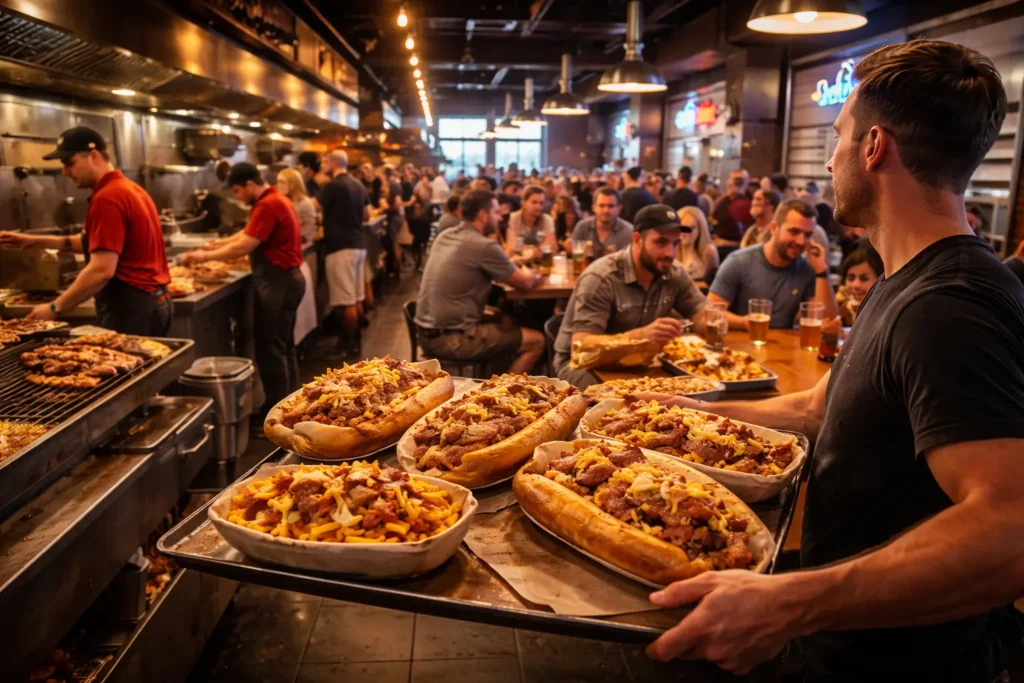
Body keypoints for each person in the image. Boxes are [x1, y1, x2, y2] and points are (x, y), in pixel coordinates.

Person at [644, 40, 1024, 683]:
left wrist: (793, 604)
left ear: (875, 147)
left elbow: (1010, 523)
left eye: (840, 136)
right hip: (846, 632)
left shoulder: (949, 303)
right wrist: (686, 410)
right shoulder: (901, 278)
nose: (829, 157)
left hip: (902, 661)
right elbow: (817, 406)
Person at [0, 127, 171, 335]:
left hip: (132, 308)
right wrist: (33, 241)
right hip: (153, 301)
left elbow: (101, 270)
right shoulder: (128, 189)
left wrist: (55, 307)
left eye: (69, 163)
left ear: (94, 156)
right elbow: (95, 244)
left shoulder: (108, 198)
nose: (65, 172)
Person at [183, 163, 303, 416]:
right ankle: (290, 407)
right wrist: (219, 243)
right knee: (282, 347)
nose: (236, 196)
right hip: (284, 280)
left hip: (277, 282)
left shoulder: (268, 204)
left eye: (237, 190)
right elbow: (246, 234)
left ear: (250, 184)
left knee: (271, 350)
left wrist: (203, 256)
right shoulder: (273, 199)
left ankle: (277, 412)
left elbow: (244, 245)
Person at [553, 204, 708, 389]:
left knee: (699, 390)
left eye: (675, 244)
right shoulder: (602, 278)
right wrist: (641, 336)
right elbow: (581, 348)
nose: (670, 253)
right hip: (579, 366)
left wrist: (713, 320)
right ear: (637, 240)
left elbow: (703, 314)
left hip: (638, 363)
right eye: (661, 242)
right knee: (634, 403)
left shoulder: (673, 273)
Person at [415, 190, 545, 374]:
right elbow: (526, 283)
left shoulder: (446, 235)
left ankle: (493, 372)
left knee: (505, 319)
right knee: (537, 341)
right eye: (496, 212)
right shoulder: (485, 246)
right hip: (453, 338)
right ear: (483, 215)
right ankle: (503, 395)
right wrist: (539, 274)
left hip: (425, 332)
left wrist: (516, 262)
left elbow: (480, 263)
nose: (500, 218)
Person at [708, 198, 838, 329]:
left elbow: (827, 322)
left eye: (808, 234)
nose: (801, 241)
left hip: (782, 346)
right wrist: (745, 322)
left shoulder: (807, 268)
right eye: (794, 232)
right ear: (774, 228)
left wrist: (821, 270)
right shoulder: (739, 262)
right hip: (739, 345)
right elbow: (710, 312)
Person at [319, 150, 370, 358]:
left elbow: (316, 209)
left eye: (325, 161)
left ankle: (348, 348)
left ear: (333, 163)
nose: (323, 164)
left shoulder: (332, 186)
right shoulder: (358, 184)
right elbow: (366, 214)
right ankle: (355, 342)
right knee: (356, 298)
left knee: (346, 301)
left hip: (340, 247)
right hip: (358, 244)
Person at [570, 186, 633, 257]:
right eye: (601, 206)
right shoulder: (582, 227)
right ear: (593, 208)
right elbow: (573, 255)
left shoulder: (629, 232)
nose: (606, 210)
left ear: (619, 209)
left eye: (611, 206)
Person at [836, 243, 883, 325]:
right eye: (851, 278)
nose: (855, 285)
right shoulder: (841, 303)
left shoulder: (884, 313)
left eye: (864, 279)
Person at [505, 186, 556, 257]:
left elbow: (552, 250)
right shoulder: (514, 218)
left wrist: (523, 248)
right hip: (519, 262)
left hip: (541, 264)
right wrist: (535, 249)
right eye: (534, 202)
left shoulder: (547, 220)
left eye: (541, 203)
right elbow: (512, 248)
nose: (538, 207)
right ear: (523, 203)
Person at [676, 206, 719, 286]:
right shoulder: (670, 250)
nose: (687, 232)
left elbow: (714, 285)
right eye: (683, 227)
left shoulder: (708, 251)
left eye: (692, 227)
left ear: (700, 230)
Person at [276, 168, 316, 247]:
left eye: (282, 182)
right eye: (278, 182)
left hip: (302, 249)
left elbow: (307, 231)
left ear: (293, 184)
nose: (278, 185)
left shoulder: (305, 203)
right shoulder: (283, 201)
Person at [709, 170, 750, 247]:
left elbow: (751, 240)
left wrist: (727, 243)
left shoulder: (751, 204)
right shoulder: (720, 202)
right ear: (728, 182)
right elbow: (712, 222)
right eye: (734, 180)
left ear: (746, 183)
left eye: (740, 181)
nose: (736, 183)